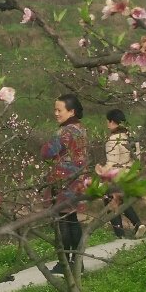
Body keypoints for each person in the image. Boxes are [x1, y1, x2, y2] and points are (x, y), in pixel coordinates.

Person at [40, 93, 89, 274]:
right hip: (78, 181)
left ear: (71, 111)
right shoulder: (81, 129)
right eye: (55, 109)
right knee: (73, 219)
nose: (56, 113)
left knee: (63, 220)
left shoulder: (65, 131)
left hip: (63, 182)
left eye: (59, 110)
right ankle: (77, 262)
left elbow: (47, 152)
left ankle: (64, 262)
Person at [101, 108, 144, 238]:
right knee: (120, 200)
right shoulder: (131, 137)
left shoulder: (113, 140)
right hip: (130, 174)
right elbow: (138, 158)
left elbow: (111, 162)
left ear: (112, 122)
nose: (107, 124)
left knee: (110, 200)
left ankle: (120, 234)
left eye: (108, 121)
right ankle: (137, 225)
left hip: (116, 175)